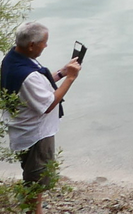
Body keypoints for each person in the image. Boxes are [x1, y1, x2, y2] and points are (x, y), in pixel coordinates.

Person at [2, 22, 82, 212]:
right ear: (31, 45)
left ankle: (32, 209)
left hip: (24, 129)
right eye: (44, 43)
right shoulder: (26, 74)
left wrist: (62, 72)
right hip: (35, 135)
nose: (46, 46)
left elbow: (39, 84)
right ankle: (33, 210)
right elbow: (47, 104)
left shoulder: (13, 58)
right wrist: (71, 78)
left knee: (33, 177)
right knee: (36, 181)